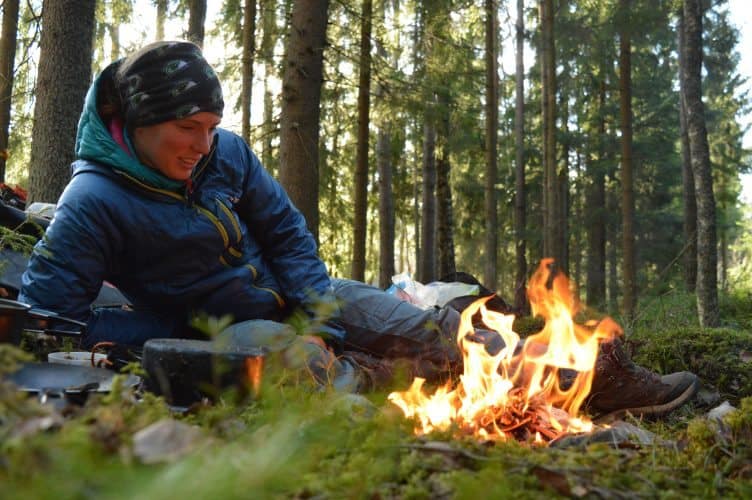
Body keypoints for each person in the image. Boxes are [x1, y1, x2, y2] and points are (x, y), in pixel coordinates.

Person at [19, 41, 698, 418]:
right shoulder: (95, 201)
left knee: (440, 333)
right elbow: (51, 317)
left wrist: (319, 311)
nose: (201, 143)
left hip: (305, 293)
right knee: (295, 369)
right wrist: (166, 344)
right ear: (137, 124)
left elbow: (285, 233)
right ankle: (378, 381)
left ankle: (594, 380)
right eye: (184, 129)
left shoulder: (224, 153)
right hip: (227, 329)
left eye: (209, 127)